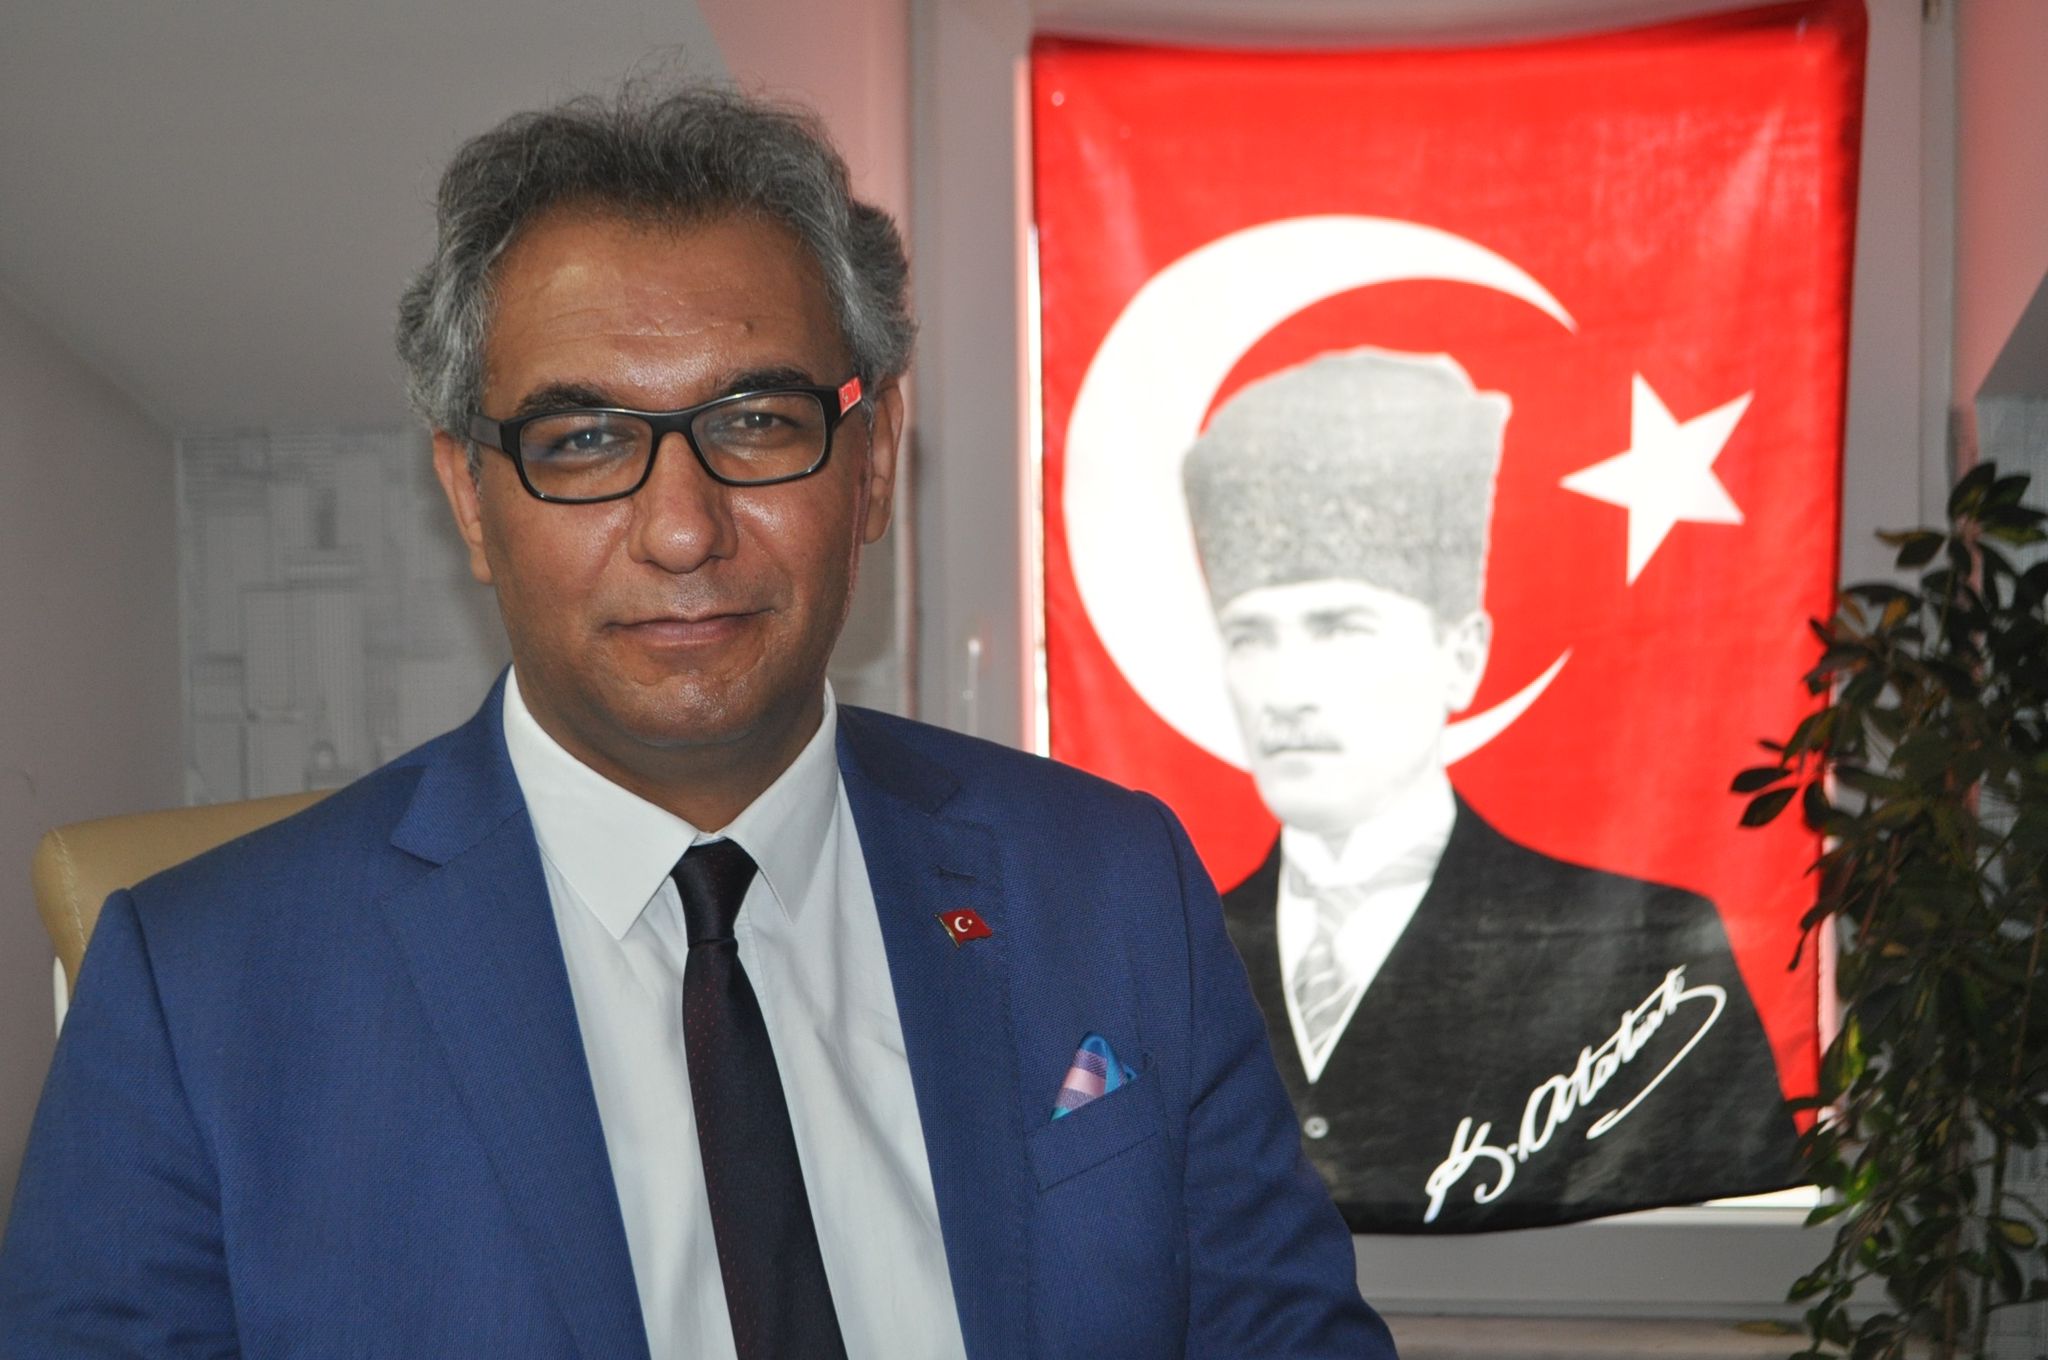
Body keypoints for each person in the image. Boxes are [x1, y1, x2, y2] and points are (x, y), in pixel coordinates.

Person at [0, 88, 1393, 1359]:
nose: (681, 528)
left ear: (873, 461)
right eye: (583, 440)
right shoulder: (200, 993)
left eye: (758, 421)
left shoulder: (1108, 887)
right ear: (472, 499)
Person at [1181, 346, 1799, 1233]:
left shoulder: (1652, 950)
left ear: (1462, 655)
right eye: (1250, 637)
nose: (1287, 689)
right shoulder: (1181, 953)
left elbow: (1715, 1257)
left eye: (1340, 627)